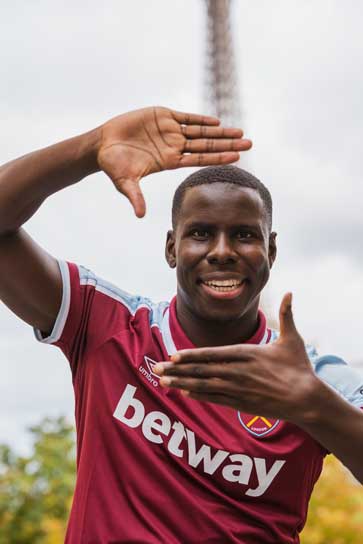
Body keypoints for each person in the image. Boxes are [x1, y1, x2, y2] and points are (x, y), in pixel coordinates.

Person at [0, 106, 362, 544]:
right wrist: (89, 149)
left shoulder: (314, 378)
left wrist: (315, 406)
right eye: (201, 233)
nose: (223, 251)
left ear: (272, 251)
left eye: (245, 235)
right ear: (172, 248)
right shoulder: (105, 323)